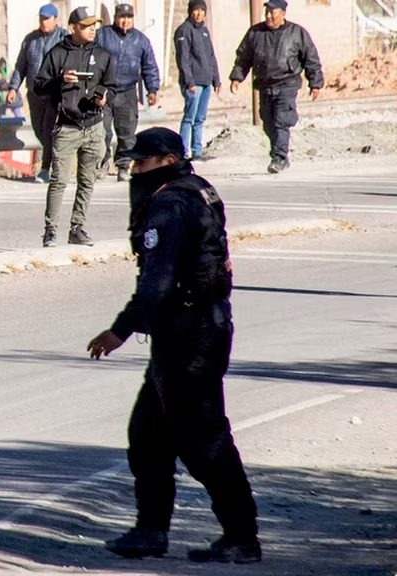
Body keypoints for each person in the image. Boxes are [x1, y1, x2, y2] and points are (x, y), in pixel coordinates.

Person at [87, 127, 261, 564]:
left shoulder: (169, 203)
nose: (134, 170)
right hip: (190, 328)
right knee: (148, 435)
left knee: (203, 441)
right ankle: (150, 532)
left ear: (165, 161)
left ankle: (241, 536)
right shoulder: (197, 190)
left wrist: (119, 331)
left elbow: (157, 281)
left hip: (191, 334)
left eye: (141, 163)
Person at [33, 6, 115, 247]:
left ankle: (77, 228)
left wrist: (103, 96)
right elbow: (38, 86)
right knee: (59, 180)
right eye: (86, 26)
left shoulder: (102, 54)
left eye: (94, 26)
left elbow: (112, 85)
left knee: (87, 180)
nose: (92, 30)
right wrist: (59, 81)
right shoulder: (57, 53)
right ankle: (50, 231)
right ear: (73, 28)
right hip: (66, 127)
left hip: (93, 125)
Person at [229, 0, 322, 174]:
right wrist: (236, 77)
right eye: (267, 12)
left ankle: (279, 156)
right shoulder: (255, 33)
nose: (269, 16)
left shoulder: (297, 33)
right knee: (268, 122)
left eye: (273, 13)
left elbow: (311, 59)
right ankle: (279, 155)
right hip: (265, 85)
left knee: (281, 120)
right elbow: (243, 57)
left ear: (283, 13)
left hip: (287, 83)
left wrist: (315, 83)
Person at [96, 4, 160, 182]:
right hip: (104, 91)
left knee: (127, 132)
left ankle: (123, 166)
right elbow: (91, 58)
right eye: (122, 17)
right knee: (102, 131)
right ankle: (102, 163)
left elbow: (150, 66)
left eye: (129, 18)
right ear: (115, 18)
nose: (125, 21)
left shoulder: (141, 40)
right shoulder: (103, 35)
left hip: (128, 91)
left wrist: (152, 89)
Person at [8, 3, 69, 183]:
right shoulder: (30, 40)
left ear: (55, 20)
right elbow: (21, 66)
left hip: (54, 92)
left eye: (47, 19)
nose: (43, 22)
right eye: (41, 19)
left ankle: (45, 168)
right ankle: (56, 159)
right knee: (39, 130)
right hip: (35, 93)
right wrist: (13, 87)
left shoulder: (64, 38)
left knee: (50, 129)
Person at [174, 1, 220, 161]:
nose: (199, 14)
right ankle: (183, 151)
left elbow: (211, 56)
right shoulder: (184, 31)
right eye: (196, 10)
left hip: (206, 82)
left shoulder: (204, 31)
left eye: (202, 10)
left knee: (200, 118)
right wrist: (189, 82)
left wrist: (216, 79)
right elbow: (183, 60)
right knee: (189, 118)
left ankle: (197, 151)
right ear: (190, 11)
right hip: (193, 84)